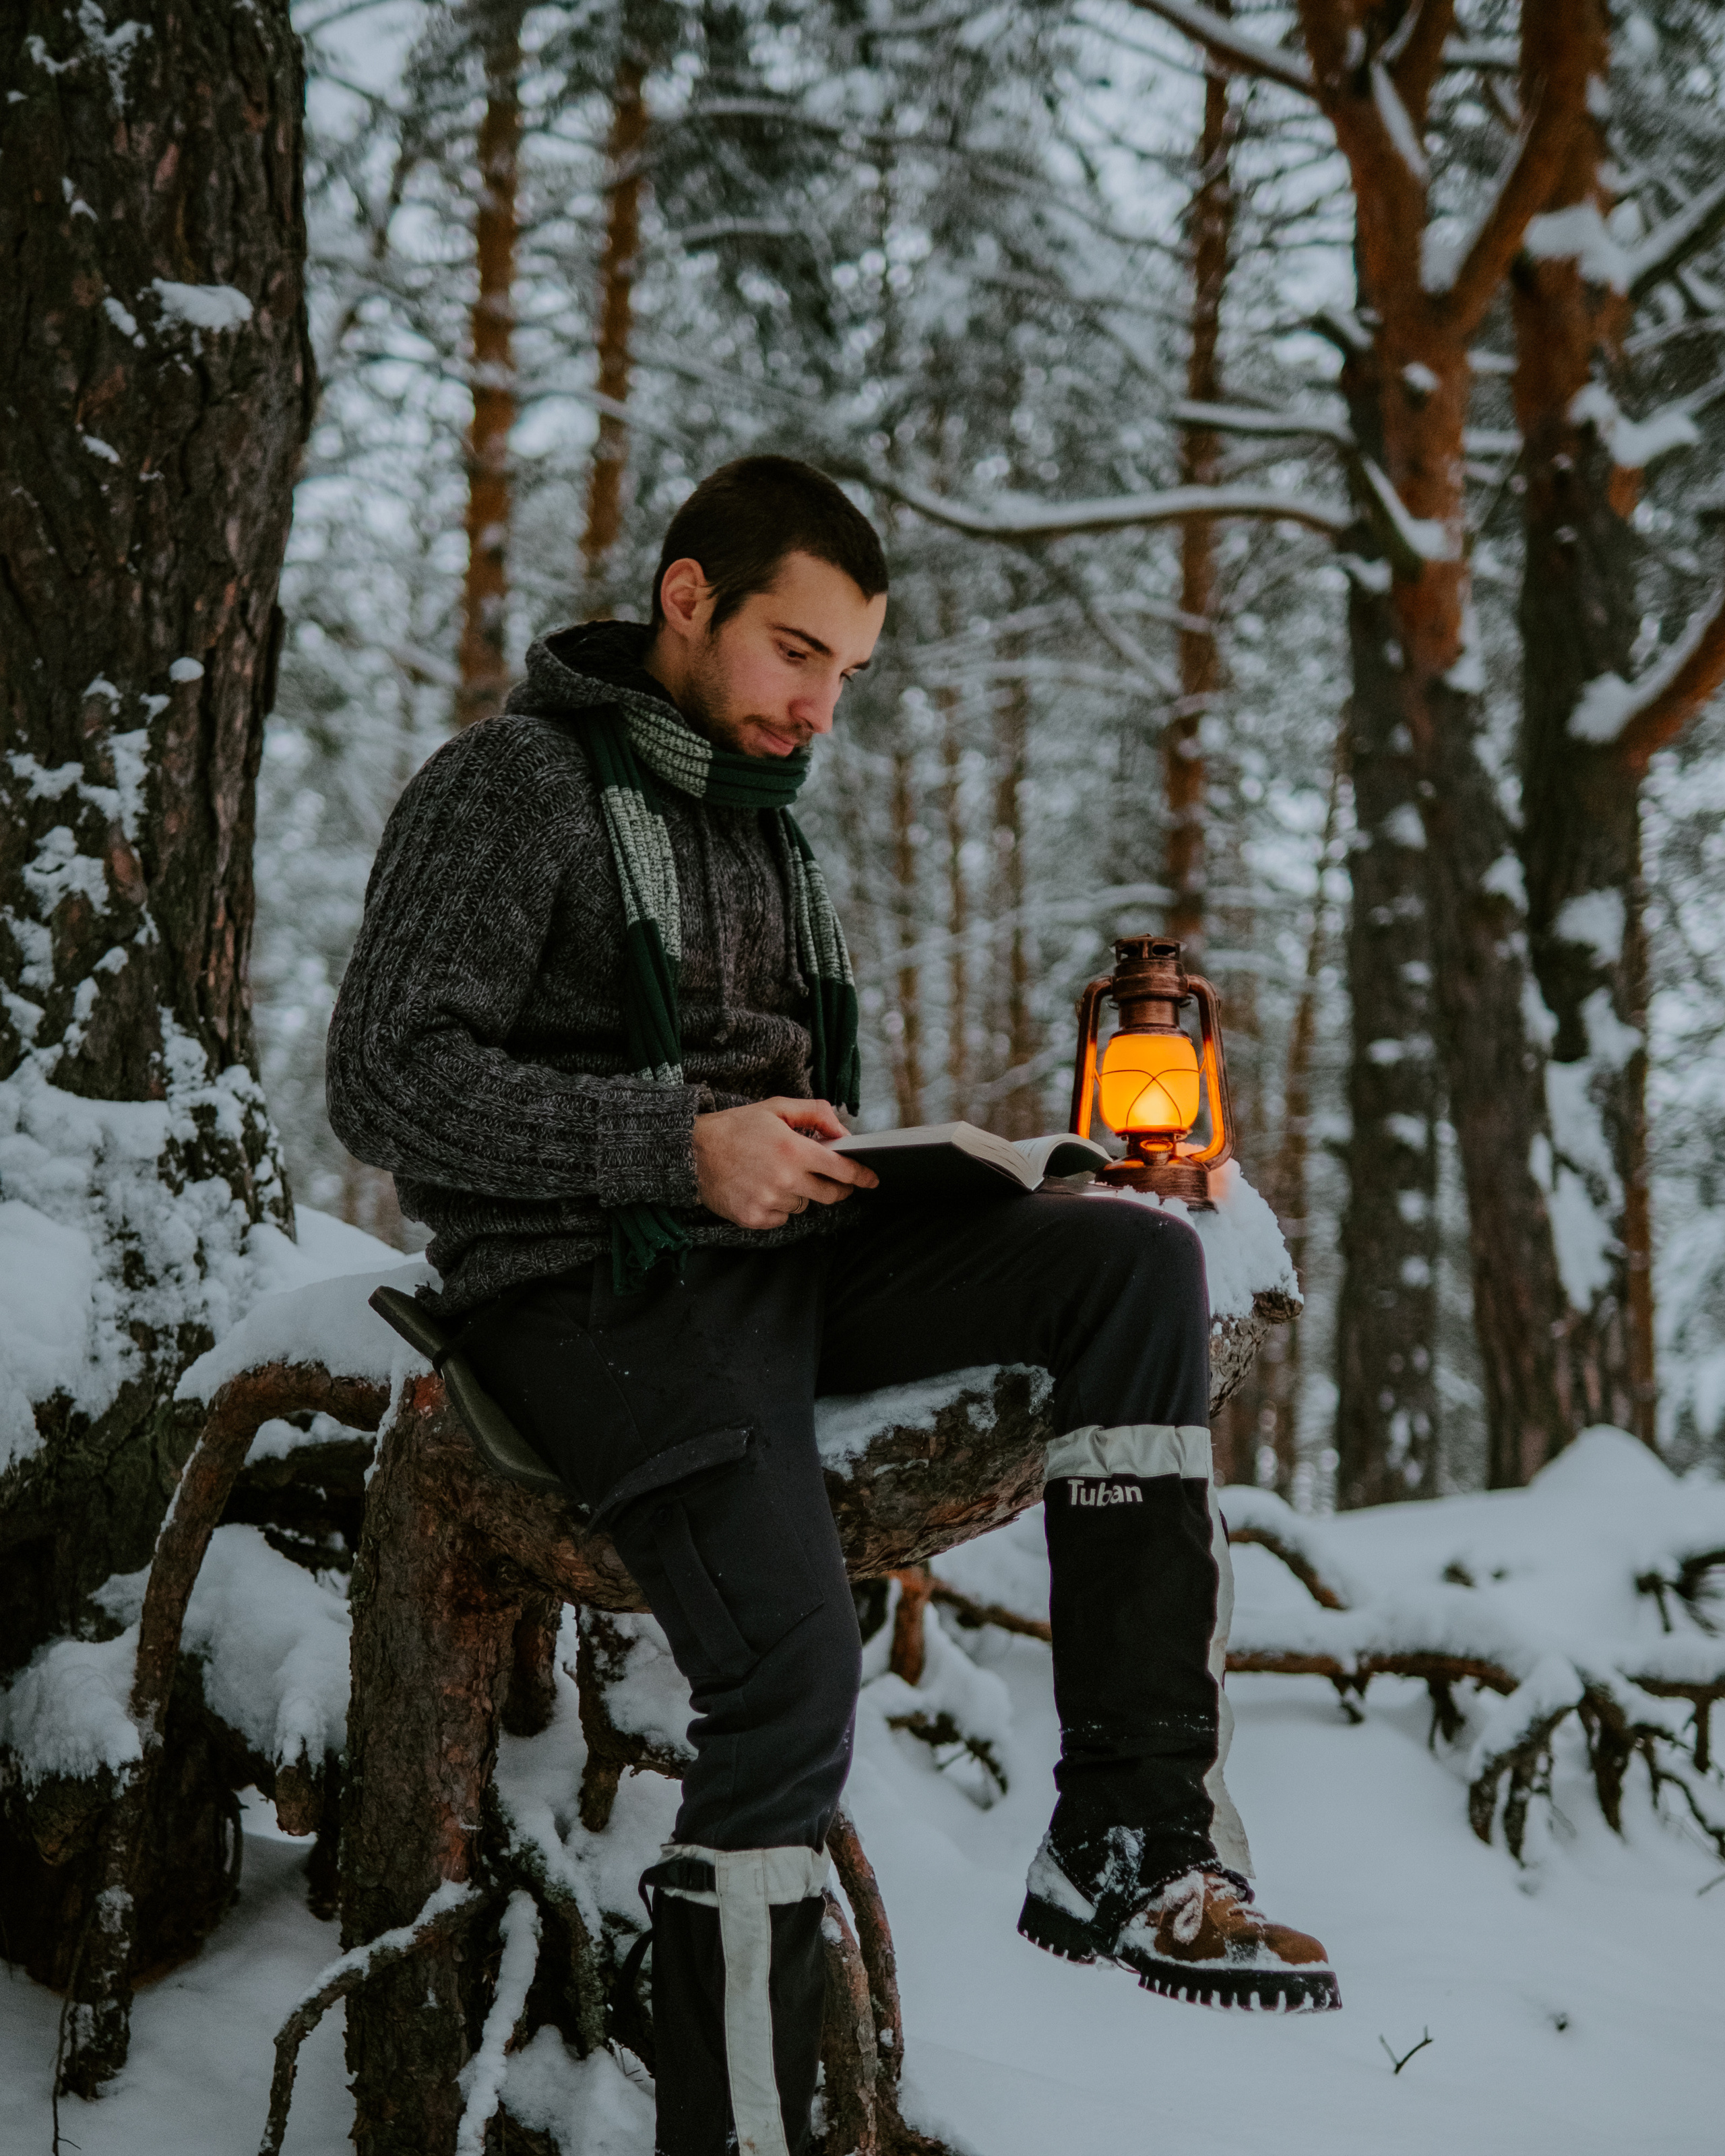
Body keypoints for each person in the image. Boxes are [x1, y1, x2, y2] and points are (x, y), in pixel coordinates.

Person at [327, 454, 1338, 2156]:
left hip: (780, 1247)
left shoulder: (757, 820)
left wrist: (884, 1160)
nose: (818, 703)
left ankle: (1131, 1835)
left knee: (1131, 1255)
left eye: (848, 675)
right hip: (583, 1288)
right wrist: (677, 1144)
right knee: (791, 1676)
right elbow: (382, 1081)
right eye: (796, 653)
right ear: (686, 597)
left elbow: (760, 1096)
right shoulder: (508, 789)